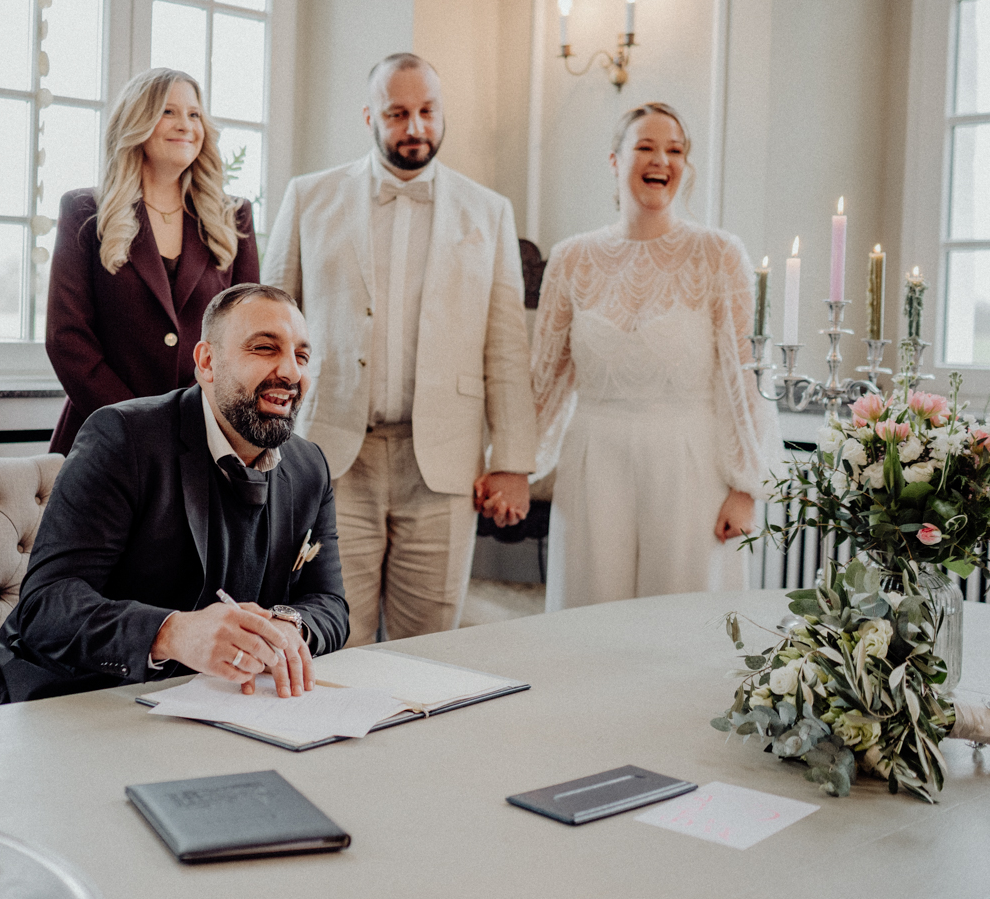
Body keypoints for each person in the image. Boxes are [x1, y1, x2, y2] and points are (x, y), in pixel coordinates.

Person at [261, 53, 536, 647]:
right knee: (332, 640)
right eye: (398, 113)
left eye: (427, 111)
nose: (415, 127)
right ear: (369, 117)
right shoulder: (310, 198)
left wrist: (512, 461)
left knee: (433, 645)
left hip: (441, 461)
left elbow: (508, 347)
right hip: (332, 458)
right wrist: (263, 440)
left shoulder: (489, 211)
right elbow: (269, 333)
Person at [0, 283, 348, 705]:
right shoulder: (122, 437)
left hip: (220, 705)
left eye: (302, 356)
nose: (291, 373)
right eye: (264, 348)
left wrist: (288, 626)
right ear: (207, 363)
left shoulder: (311, 466)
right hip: (73, 699)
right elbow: (48, 606)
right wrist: (172, 633)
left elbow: (330, 603)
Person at [531, 102, 782, 610]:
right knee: (589, 620)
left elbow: (745, 375)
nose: (660, 160)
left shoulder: (719, 254)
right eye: (645, 147)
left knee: (679, 620)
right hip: (594, 461)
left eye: (675, 150)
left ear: (686, 165)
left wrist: (746, 487)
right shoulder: (571, 258)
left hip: (690, 461)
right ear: (614, 160)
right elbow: (544, 378)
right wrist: (514, 466)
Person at [45, 67, 260, 455]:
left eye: (194, 114)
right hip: (105, 438)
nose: (186, 125)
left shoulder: (235, 216)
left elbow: (245, 339)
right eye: (168, 112)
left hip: (203, 443)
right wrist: (137, 425)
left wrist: (200, 425)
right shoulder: (84, 211)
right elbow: (67, 339)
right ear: (136, 121)